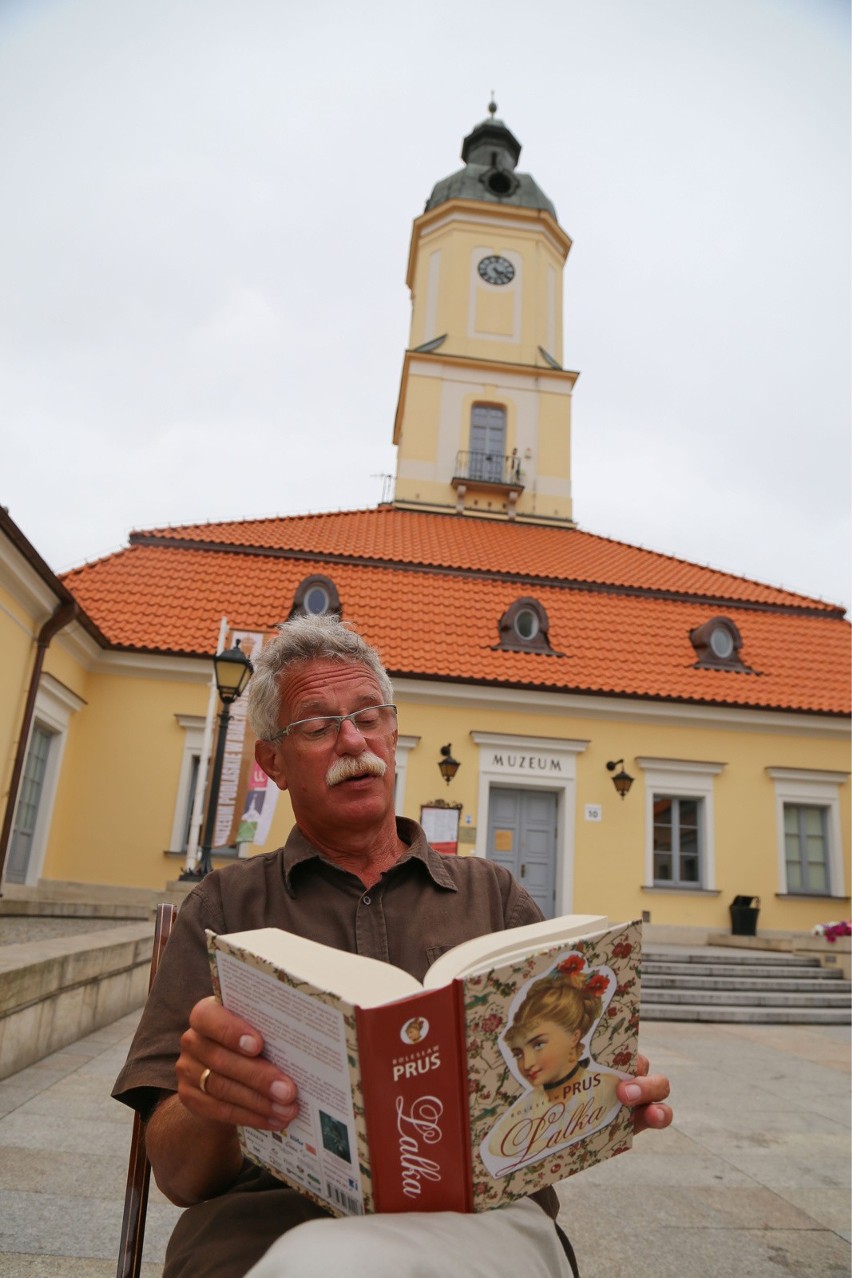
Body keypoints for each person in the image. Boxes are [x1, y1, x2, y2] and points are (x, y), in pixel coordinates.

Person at [113, 615, 672, 1278]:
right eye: (317, 726)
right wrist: (211, 1100)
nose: (354, 740)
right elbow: (176, 1176)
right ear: (272, 763)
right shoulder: (226, 908)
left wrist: (603, 1097)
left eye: (369, 715)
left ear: (393, 729)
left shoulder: (491, 895)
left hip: (481, 1223)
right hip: (266, 1227)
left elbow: (560, 1093)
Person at [483, 953, 626, 1178]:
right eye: (518, 1053)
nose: (526, 1064)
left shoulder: (609, 1089)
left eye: (538, 1044)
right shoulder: (518, 1115)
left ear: (574, 1036)